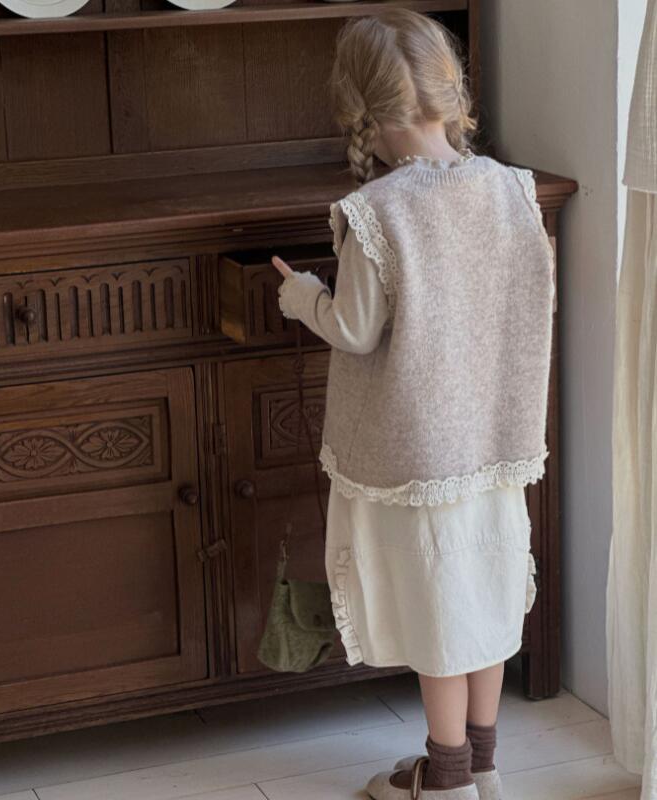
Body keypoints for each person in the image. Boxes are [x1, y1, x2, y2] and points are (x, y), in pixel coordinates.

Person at [271, 9, 555, 800]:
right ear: (447, 88)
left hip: (419, 456)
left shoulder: (379, 211)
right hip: (494, 445)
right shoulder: (512, 190)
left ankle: (447, 778)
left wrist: (303, 296)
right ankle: (481, 766)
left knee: (439, 615)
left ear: (361, 108)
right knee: (487, 603)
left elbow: (355, 329)